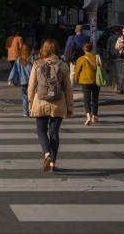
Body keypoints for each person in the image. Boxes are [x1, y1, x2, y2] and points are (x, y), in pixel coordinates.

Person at [27, 39, 73, 173]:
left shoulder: (37, 64)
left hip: (41, 102)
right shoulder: (63, 65)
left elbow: (31, 87)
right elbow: (68, 89)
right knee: (54, 132)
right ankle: (52, 163)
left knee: (41, 131)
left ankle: (47, 154)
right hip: (58, 104)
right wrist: (70, 107)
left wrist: (30, 103)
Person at [74, 42, 101, 126]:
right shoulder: (97, 57)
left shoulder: (81, 59)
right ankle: (95, 116)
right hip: (96, 80)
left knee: (86, 99)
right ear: (91, 48)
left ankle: (88, 115)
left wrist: (76, 79)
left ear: (83, 49)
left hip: (85, 81)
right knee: (95, 98)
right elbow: (101, 67)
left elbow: (77, 70)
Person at [7, 42, 36, 117]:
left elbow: (15, 70)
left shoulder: (19, 60)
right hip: (32, 81)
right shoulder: (33, 58)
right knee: (33, 96)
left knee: (24, 97)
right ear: (30, 50)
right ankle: (32, 110)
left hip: (23, 81)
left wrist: (10, 79)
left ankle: (25, 112)